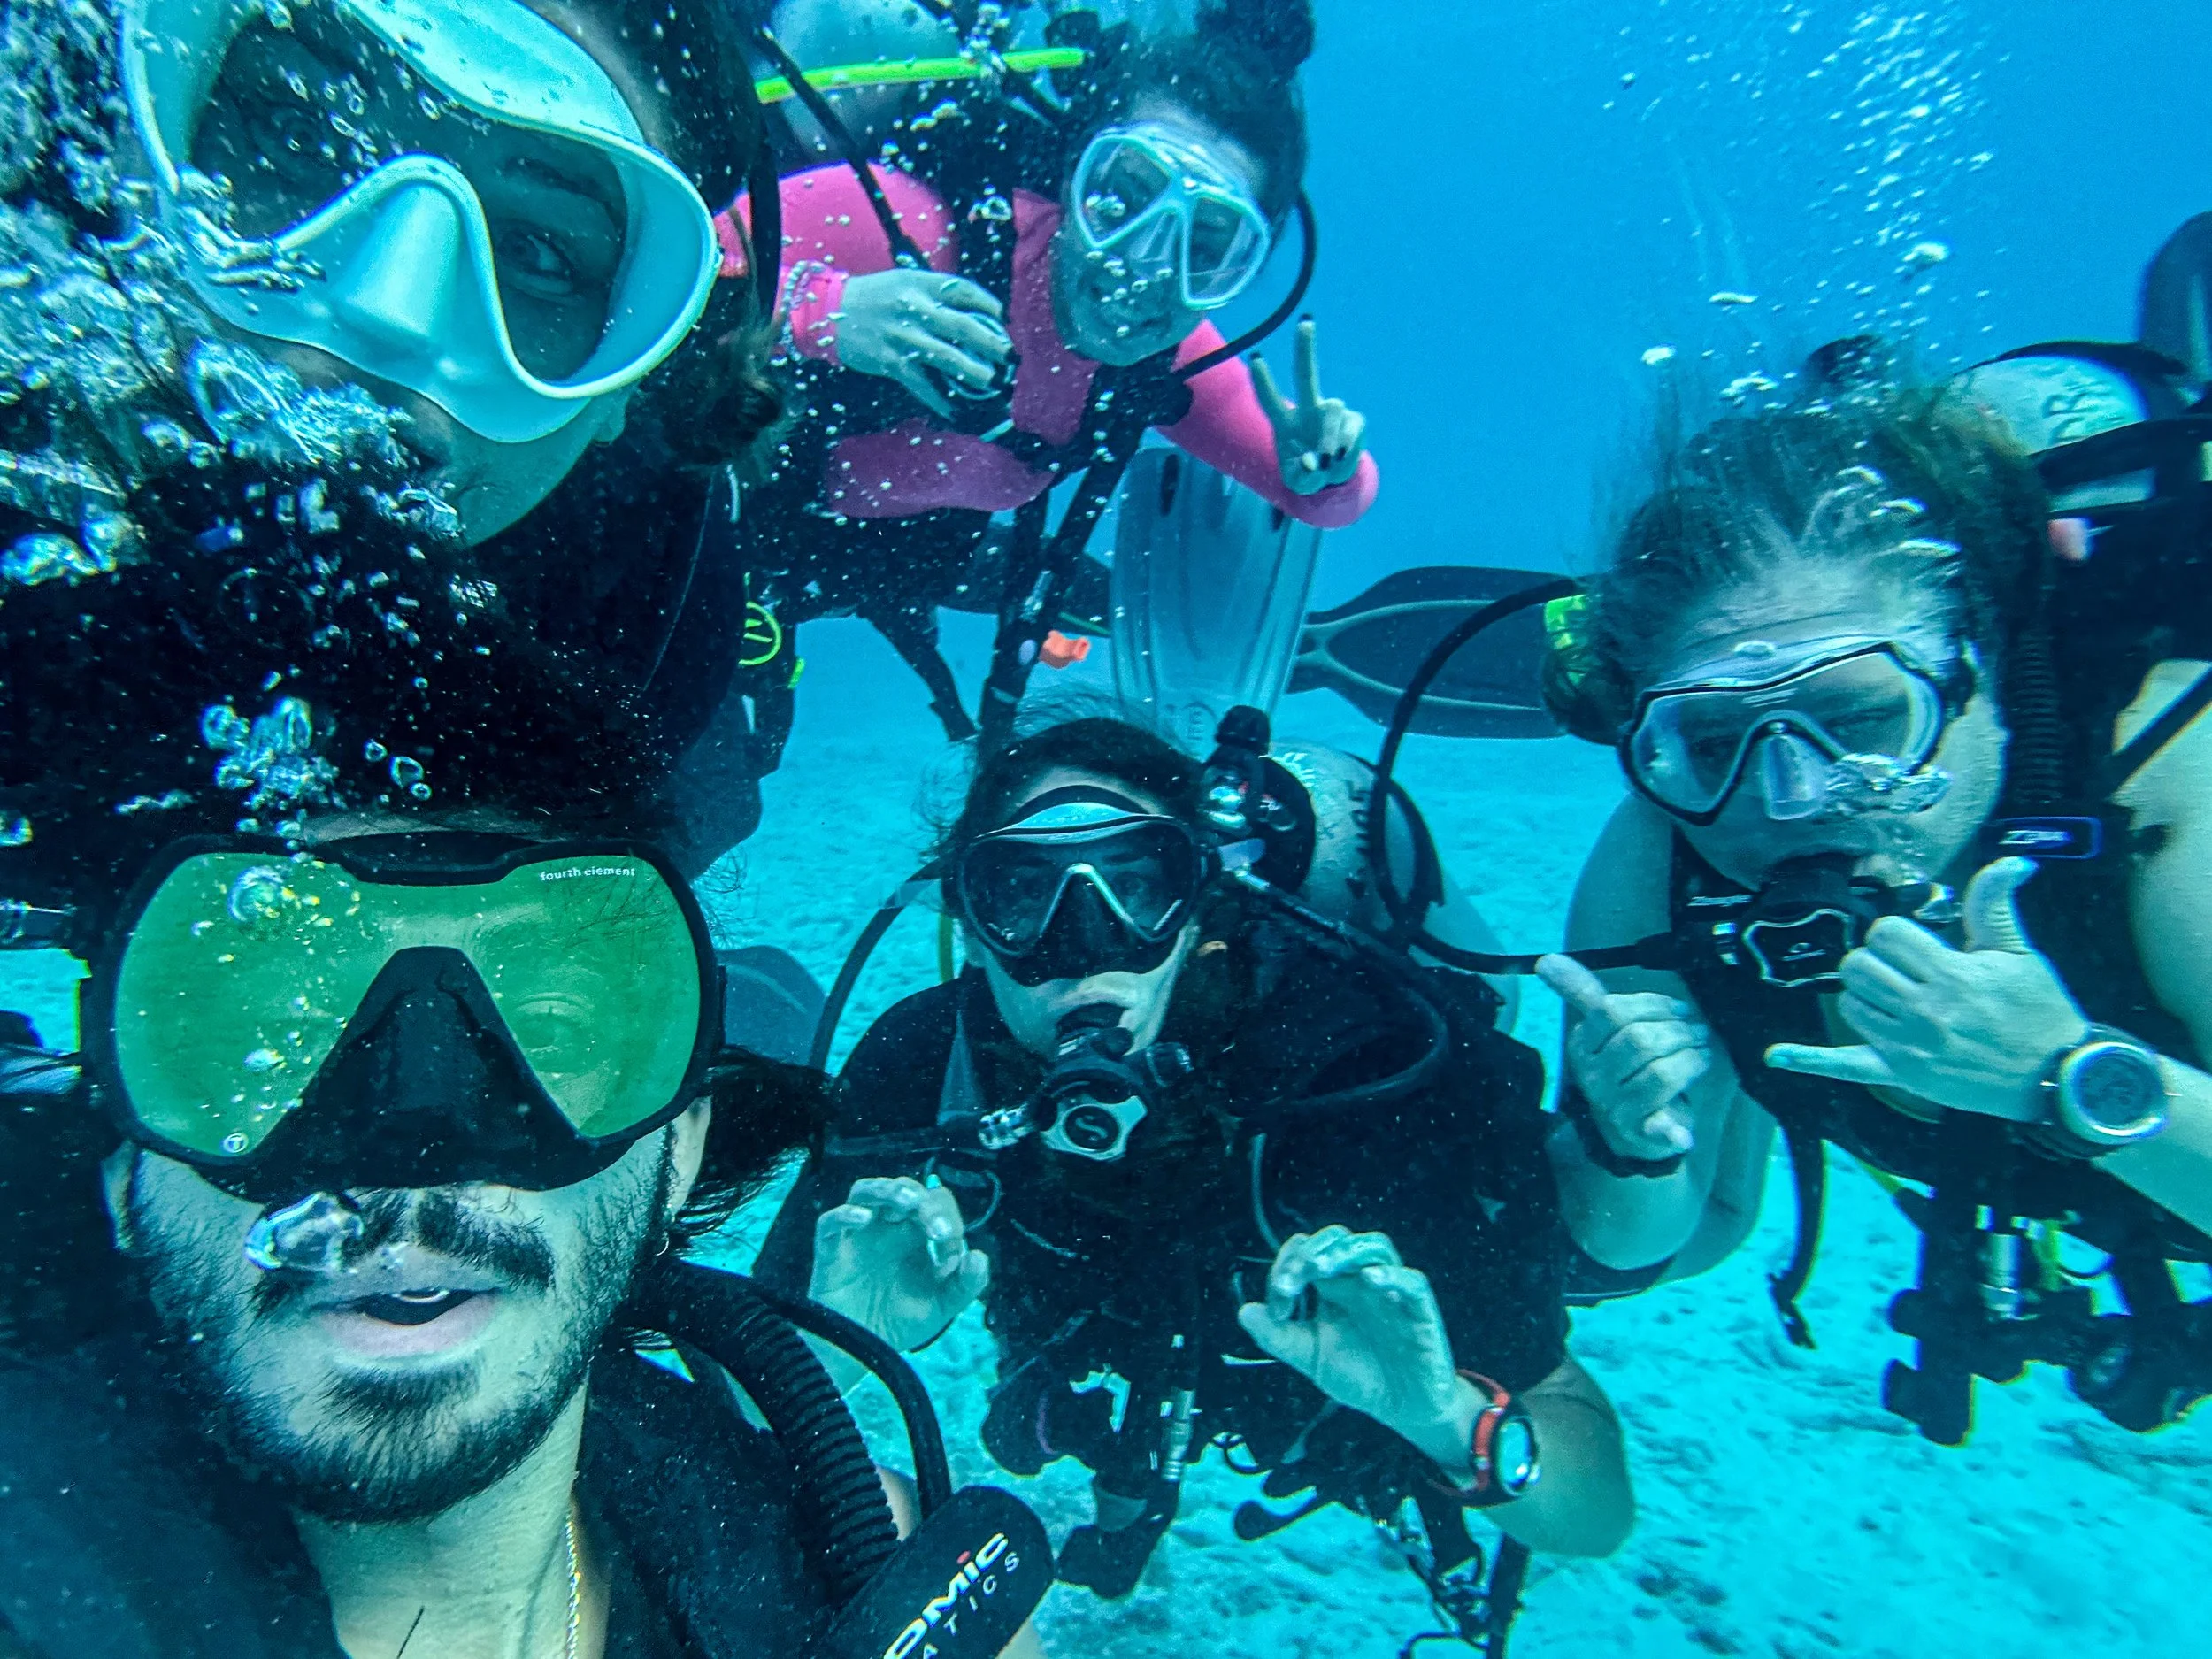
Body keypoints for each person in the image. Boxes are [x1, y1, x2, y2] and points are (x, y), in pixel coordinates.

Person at [0, 334, 1048, 1655]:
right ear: (119, 1157)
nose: (412, 1144)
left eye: (548, 1032)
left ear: (678, 1153)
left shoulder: (857, 1563)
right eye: (271, 1038)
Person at [757, 713, 1632, 1611]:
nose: (1084, 944)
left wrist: (1448, 1420)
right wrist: (831, 1343)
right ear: (972, 929)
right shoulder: (920, 1071)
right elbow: (734, 1391)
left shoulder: (1359, 1083)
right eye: (1022, 895)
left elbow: (1596, 1510)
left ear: (1197, 905)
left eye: (1137, 885)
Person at [1533, 381, 2212, 1444]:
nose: (1788, 797)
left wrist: (2064, 1078)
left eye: (1854, 717)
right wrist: (1633, 1146)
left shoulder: (2168, 791)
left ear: (1976, 672)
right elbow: (1677, 1239)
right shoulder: (1662, 851)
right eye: (1713, 741)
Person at [8, 0, 787, 873]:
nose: (388, 314)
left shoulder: (642, 616)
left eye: (538, 252)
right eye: (295, 132)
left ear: (625, 386)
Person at [706, 0, 1377, 772]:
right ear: (1073, 172)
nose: (1145, 266)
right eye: (1123, 195)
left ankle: (1303, 654)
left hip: (909, 556)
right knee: (712, 800)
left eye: (1208, 242)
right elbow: (656, 280)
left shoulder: (1172, 356)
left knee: (1061, 595)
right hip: (731, 530)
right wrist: (823, 312)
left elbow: (1329, 499)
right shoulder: (916, 231)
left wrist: (1323, 465)